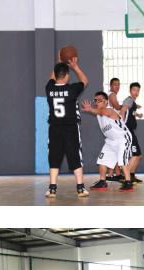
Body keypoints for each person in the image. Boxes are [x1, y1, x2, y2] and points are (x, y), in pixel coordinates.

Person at [44, 57, 90, 198]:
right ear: (67, 76)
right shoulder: (72, 89)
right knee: (75, 156)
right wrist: (75, 66)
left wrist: (59, 62)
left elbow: (52, 76)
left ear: (55, 75)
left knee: (54, 158)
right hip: (70, 129)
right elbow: (85, 80)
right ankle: (80, 188)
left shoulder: (49, 88)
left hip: (54, 129)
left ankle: (52, 189)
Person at [82, 93, 134, 192]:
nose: (97, 102)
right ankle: (102, 182)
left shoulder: (109, 110)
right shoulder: (98, 114)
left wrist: (90, 109)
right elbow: (99, 112)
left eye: (99, 100)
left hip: (122, 138)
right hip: (110, 140)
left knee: (122, 161)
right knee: (102, 160)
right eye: (95, 100)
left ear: (106, 102)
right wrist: (92, 110)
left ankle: (128, 182)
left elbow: (102, 112)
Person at [122, 83, 144, 183]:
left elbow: (130, 112)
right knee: (136, 155)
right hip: (127, 131)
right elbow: (123, 111)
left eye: (138, 90)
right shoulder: (129, 100)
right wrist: (121, 126)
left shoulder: (132, 102)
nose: (136, 92)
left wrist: (138, 114)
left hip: (130, 130)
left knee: (138, 156)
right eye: (134, 90)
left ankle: (131, 176)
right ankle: (126, 178)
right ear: (130, 91)